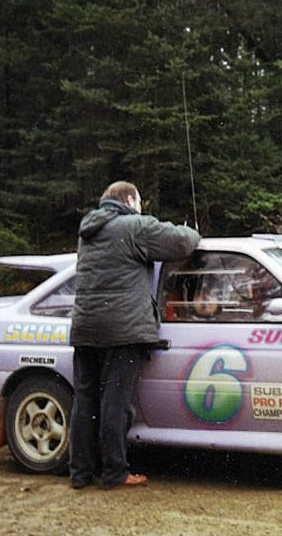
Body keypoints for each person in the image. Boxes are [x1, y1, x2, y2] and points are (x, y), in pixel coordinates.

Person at [69, 181, 200, 490]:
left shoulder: (87, 230)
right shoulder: (134, 226)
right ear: (129, 200)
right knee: (116, 403)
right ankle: (115, 473)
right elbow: (181, 243)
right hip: (123, 330)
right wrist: (193, 230)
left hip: (86, 327)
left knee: (85, 401)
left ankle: (80, 473)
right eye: (140, 202)